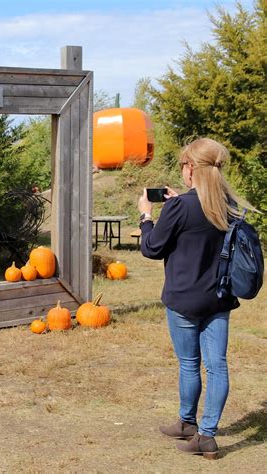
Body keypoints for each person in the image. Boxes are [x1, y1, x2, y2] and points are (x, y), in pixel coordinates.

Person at [138, 138, 245, 459]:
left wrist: (147, 216)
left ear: (190, 169)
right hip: (220, 298)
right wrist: (175, 204)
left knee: (189, 363)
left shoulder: (180, 207)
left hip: (184, 298)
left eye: (184, 164)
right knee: (217, 367)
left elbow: (151, 248)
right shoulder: (230, 205)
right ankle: (206, 435)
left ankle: (187, 422)